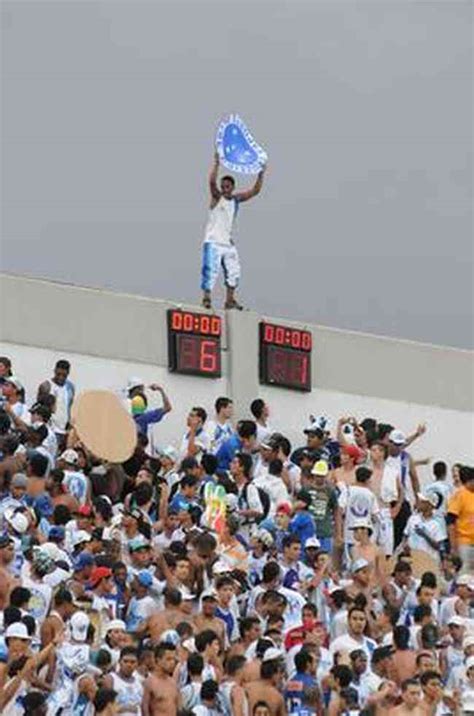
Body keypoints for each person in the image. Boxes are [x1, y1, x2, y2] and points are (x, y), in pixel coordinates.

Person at [201, 151, 266, 310]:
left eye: (227, 186)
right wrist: (216, 163)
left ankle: (230, 300)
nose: (224, 189)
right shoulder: (217, 197)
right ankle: (206, 298)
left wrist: (261, 173)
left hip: (227, 243)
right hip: (213, 241)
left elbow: (254, 191)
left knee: (234, 270)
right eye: (223, 186)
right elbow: (211, 183)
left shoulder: (236, 200)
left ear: (232, 187)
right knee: (210, 270)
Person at [37, 359, 75, 451]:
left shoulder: (70, 387)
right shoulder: (46, 386)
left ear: (68, 373)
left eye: (64, 375)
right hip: (51, 427)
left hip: (63, 428)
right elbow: (40, 408)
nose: (61, 377)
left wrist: (69, 422)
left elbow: (69, 406)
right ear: (54, 371)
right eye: (58, 374)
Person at [447, 465, 474, 573]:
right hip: (464, 542)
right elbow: (450, 521)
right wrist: (453, 547)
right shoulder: (460, 494)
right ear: (470, 480)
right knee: (464, 574)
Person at [142, 642, 180, 716]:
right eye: (168, 659)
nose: (172, 662)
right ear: (158, 660)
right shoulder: (149, 683)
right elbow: (144, 709)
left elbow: (178, 708)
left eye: (173, 659)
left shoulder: (173, 683)